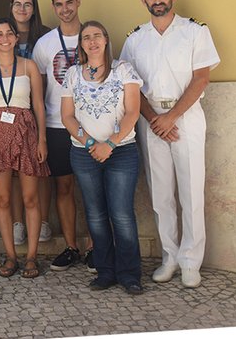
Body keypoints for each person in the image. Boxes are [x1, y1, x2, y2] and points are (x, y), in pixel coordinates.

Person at [120, 0, 220, 288]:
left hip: (186, 117)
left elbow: (201, 78)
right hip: (151, 120)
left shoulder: (194, 32)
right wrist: (154, 119)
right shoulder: (135, 39)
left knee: (191, 192)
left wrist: (172, 117)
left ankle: (191, 261)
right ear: (144, 0)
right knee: (161, 195)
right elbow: (130, 87)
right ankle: (170, 257)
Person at [61, 21, 144, 294]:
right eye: (86, 37)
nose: (92, 41)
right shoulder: (73, 74)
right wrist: (89, 143)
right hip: (84, 154)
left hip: (121, 152)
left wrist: (109, 143)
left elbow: (133, 111)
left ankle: (130, 274)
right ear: (81, 44)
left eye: (97, 35)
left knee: (121, 215)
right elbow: (67, 116)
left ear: (106, 39)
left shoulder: (124, 70)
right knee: (95, 215)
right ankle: (105, 272)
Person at [0, 18, 49, 278]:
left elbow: (39, 105)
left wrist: (42, 139)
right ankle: (10, 255)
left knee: (30, 197)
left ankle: (31, 256)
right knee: (4, 198)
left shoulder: (29, 66)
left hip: (26, 130)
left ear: (16, 38)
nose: (5, 38)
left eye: (9, 33)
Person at [32, 0, 95, 272]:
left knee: (93, 188)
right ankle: (71, 247)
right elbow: (39, 89)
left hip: (92, 124)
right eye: (59, 4)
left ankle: (97, 247)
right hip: (57, 126)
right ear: (53, 7)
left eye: (69, 2)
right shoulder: (44, 45)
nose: (65, 9)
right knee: (64, 186)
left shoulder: (94, 36)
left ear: (78, 1)